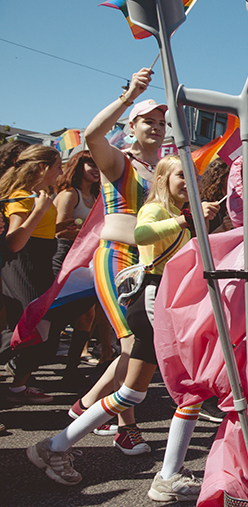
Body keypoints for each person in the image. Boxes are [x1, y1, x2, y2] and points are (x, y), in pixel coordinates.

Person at [28, 156, 218, 495]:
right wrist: (184, 219)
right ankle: (168, 477)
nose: (189, 183)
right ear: (162, 179)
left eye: (193, 178)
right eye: (180, 176)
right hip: (153, 300)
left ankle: (55, 446)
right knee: (188, 388)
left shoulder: (181, 215)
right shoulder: (156, 210)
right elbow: (142, 233)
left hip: (165, 302)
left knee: (134, 392)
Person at [67, 67, 167, 453]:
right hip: (116, 260)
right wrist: (128, 96)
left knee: (141, 345)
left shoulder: (162, 170)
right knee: (133, 342)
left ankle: (87, 405)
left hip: (148, 264)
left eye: (161, 122)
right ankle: (124, 426)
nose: (156, 127)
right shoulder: (117, 161)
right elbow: (92, 135)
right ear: (131, 126)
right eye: (147, 121)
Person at [0, 145, 62, 404]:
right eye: (57, 167)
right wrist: (37, 211)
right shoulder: (22, 196)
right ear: (42, 168)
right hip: (23, 263)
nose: (60, 172)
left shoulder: (38, 195)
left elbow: (41, 230)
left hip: (40, 261)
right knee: (29, 326)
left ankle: (18, 385)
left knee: (42, 326)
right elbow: (14, 242)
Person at [52, 150, 113, 387]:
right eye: (91, 163)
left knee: (87, 315)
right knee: (61, 312)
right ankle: (33, 357)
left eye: (99, 164)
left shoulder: (99, 197)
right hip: (67, 255)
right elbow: (57, 230)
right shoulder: (69, 194)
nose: (96, 169)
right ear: (79, 165)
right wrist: (86, 234)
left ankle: (71, 368)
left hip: (90, 258)